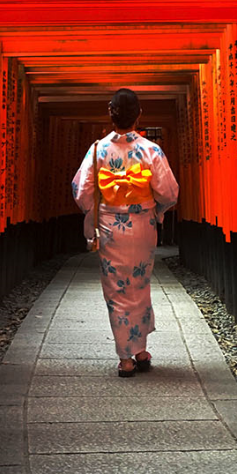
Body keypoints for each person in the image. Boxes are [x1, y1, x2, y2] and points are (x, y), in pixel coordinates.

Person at [72, 88, 179, 377]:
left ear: (110, 113)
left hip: (110, 227)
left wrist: (99, 211)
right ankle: (140, 349)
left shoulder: (97, 150)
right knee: (140, 285)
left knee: (117, 289)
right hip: (142, 225)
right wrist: (156, 211)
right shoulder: (150, 150)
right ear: (139, 114)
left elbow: (82, 193)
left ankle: (126, 358)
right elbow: (169, 192)